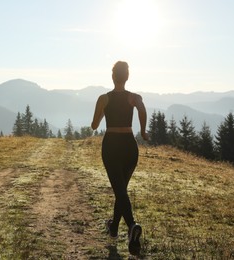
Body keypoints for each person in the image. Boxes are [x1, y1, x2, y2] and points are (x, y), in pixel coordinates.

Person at [91, 61, 148, 256]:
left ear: (112, 76)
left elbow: (93, 125)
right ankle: (114, 228)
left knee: (119, 189)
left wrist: (98, 117)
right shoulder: (134, 97)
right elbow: (141, 109)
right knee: (121, 188)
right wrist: (143, 130)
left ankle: (132, 225)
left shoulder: (104, 98)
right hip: (130, 145)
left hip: (112, 145)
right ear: (127, 77)